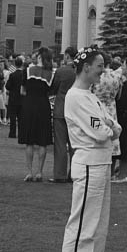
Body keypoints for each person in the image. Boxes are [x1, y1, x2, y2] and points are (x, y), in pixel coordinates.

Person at [57, 47, 121, 252]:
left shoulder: (91, 96)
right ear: (85, 67)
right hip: (88, 163)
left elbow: (113, 125)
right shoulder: (75, 97)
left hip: (102, 162)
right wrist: (110, 129)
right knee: (82, 225)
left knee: (98, 227)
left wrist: (110, 129)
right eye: (99, 65)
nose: (102, 70)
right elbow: (101, 131)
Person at [19, 48, 54, 181]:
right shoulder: (50, 74)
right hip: (43, 106)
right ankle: (39, 172)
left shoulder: (27, 71)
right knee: (42, 142)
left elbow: (22, 91)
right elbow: (50, 92)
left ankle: (29, 172)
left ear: (39, 57)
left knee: (29, 142)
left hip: (29, 105)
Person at [48, 47, 77, 182]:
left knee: (60, 143)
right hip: (76, 110)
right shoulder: (79, 71)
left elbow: (53, 88)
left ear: (66, 56)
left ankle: (59, 174)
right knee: (74, 144)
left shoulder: (61, 71)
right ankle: (74, 173)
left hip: (61, 108)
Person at [5, 56, 25, 138]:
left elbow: (8, 86)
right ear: (22, 64)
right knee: (21, 117)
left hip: (13, 98)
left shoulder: (12, 75)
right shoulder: (24, 75)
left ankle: (12, 133)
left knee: (12, 117)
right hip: (21, 98)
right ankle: (21, 133)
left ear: (15, 65)